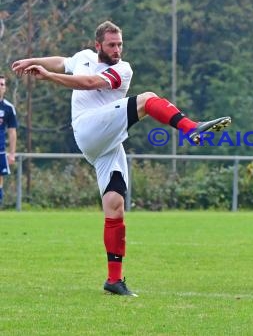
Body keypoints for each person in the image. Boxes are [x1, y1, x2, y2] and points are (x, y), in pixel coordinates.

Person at [11, 20, 231, 297]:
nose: (117, 49)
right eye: (112, 45)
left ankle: (114, 280)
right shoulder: (84, 57)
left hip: (106, 143)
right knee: (148, 99)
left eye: (120, 44)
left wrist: (47, 76)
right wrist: (33, 60)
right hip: (88, 129)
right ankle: (190, 128)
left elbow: (91, 83)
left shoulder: (122, 69)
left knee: (115, 207)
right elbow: (62, 61)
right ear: (98, 45)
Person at [0, 74, 18, 206]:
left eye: (2, 84)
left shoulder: (8, 108)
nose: (0, 87)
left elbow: (12, 132)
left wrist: (12, 153)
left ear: (5, 88)